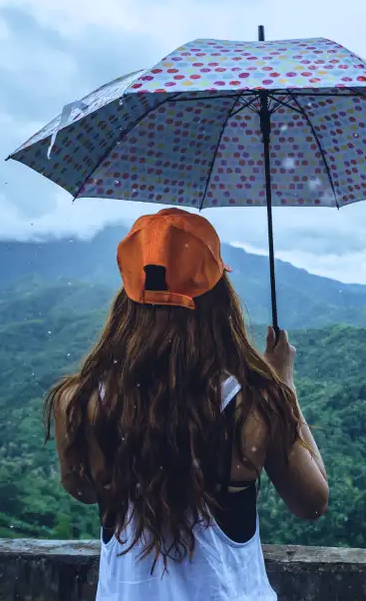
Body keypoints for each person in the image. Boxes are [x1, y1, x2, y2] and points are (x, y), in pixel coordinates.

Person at [43, 207, 328, 601]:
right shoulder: (252, 405)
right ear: (218, 298)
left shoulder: (80, 401)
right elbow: (312, 501)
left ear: (127, 297)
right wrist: (283, 385)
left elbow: (84, 492)